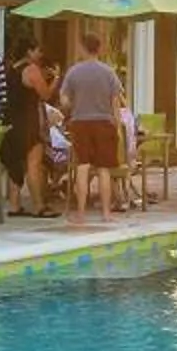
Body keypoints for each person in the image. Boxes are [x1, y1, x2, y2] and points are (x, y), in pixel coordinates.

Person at [58, 31, 124, 223]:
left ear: (82, 48)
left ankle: (80, 214)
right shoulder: (108, 72)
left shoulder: (73, 72)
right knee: (104, 169)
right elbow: (116, 103)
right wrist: (117, 126)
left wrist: (73, 104)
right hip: (104, 123)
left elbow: (64, 100)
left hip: (80, 123)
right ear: (99, 49)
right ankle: (105, 213)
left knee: (83, 167)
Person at [1, 46, 51, 214]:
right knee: (33, 164)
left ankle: (15, 205)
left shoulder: (12, 69)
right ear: (29, 51)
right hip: (27, 122)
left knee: (16, 164)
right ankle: (39, 206)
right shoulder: (31, 69)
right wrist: (56, 79)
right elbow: (45, 94)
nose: (40, 53)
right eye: (38, 50)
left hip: (11, 123)